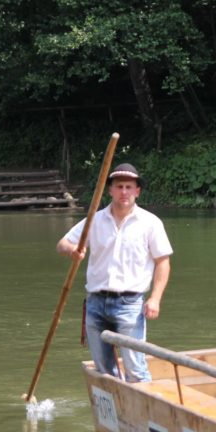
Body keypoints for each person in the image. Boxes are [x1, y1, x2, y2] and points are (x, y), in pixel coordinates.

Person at [57, 163, 172, 382]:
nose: (124, 192)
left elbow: (163, 262)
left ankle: (142, 414)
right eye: (119, 187)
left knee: (136, 370)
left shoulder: (150, 223)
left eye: (129, 187)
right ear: (110, 190)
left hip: (129, 305)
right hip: (96, 303)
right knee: (104, 372)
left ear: (137, 191)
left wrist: (155, 299)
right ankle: (115, 415)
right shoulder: (95, 220)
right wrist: (73, 250)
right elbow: (62, 244)